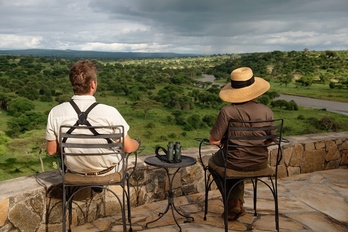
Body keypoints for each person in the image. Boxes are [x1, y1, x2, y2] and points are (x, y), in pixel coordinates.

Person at [46, 60, 140, 175]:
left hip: (75, 172)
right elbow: (129, 148)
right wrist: (137, 143)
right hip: (107, 172)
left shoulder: (56, 112)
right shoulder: (110, 112)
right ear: (93, 84)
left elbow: (51, 151)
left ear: (73, 84)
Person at [209, 66, 274, 220]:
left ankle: (232, 203)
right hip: (259, 162)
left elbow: (214, 140)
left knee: (213, 163)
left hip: (234, 161)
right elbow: (271, 139)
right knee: (236, 164)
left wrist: (226, 142)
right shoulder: (266, 110)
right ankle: (236, 202)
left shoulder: (227, 111)